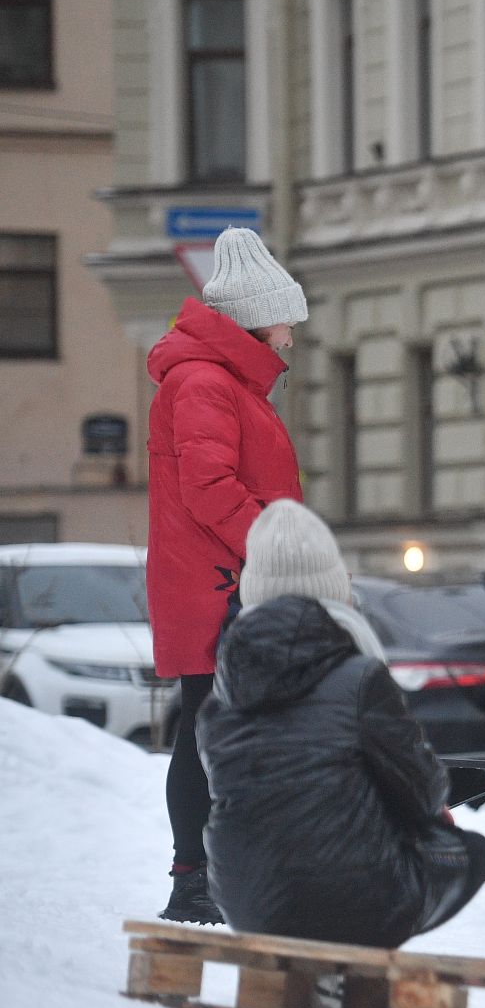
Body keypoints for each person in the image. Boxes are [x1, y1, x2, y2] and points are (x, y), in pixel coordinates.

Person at [195, 500, 485, 948]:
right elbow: (423, 788)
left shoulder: (220, 697)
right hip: (356, 902)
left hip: (247, 902)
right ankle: (360, 953)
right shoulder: (360, 678)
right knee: (473, 852)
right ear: (335, 586)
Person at [147, 227, 308, 924]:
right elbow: (209, 486)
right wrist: (273, 548)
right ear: (253, 319)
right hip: (221, 585)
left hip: (229, 579)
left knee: (226, 731)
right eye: (286, 322)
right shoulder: (204, 383)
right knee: (209, 731)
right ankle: (194, 879)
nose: (292, 339)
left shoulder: (224, 384)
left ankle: (224, 873)